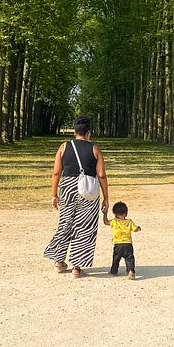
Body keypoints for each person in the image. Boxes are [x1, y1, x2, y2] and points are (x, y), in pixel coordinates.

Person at [43, 115, 109, 278]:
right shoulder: (95, 149)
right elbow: (101, 174)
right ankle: (77, 266)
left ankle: (58, 260)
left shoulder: (64, 147)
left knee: (65, 223)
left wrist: (54, 194)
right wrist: (106, 197)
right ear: (88, 133)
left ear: (75, 132)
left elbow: (56, 172)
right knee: (85, 226)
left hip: (67, 188)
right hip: (88, 189)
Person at [103, 201, 141, 280]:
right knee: (129, 258)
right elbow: (135, 229)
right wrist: (138, 228)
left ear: (115, 214)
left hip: (118, 245)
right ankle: (131, 271)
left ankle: (113, 271)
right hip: (128, 244)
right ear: (126, 213)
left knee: (116, 258)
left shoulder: (114, 221)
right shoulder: (129, 222)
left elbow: (106, 222)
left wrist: (105, 214)